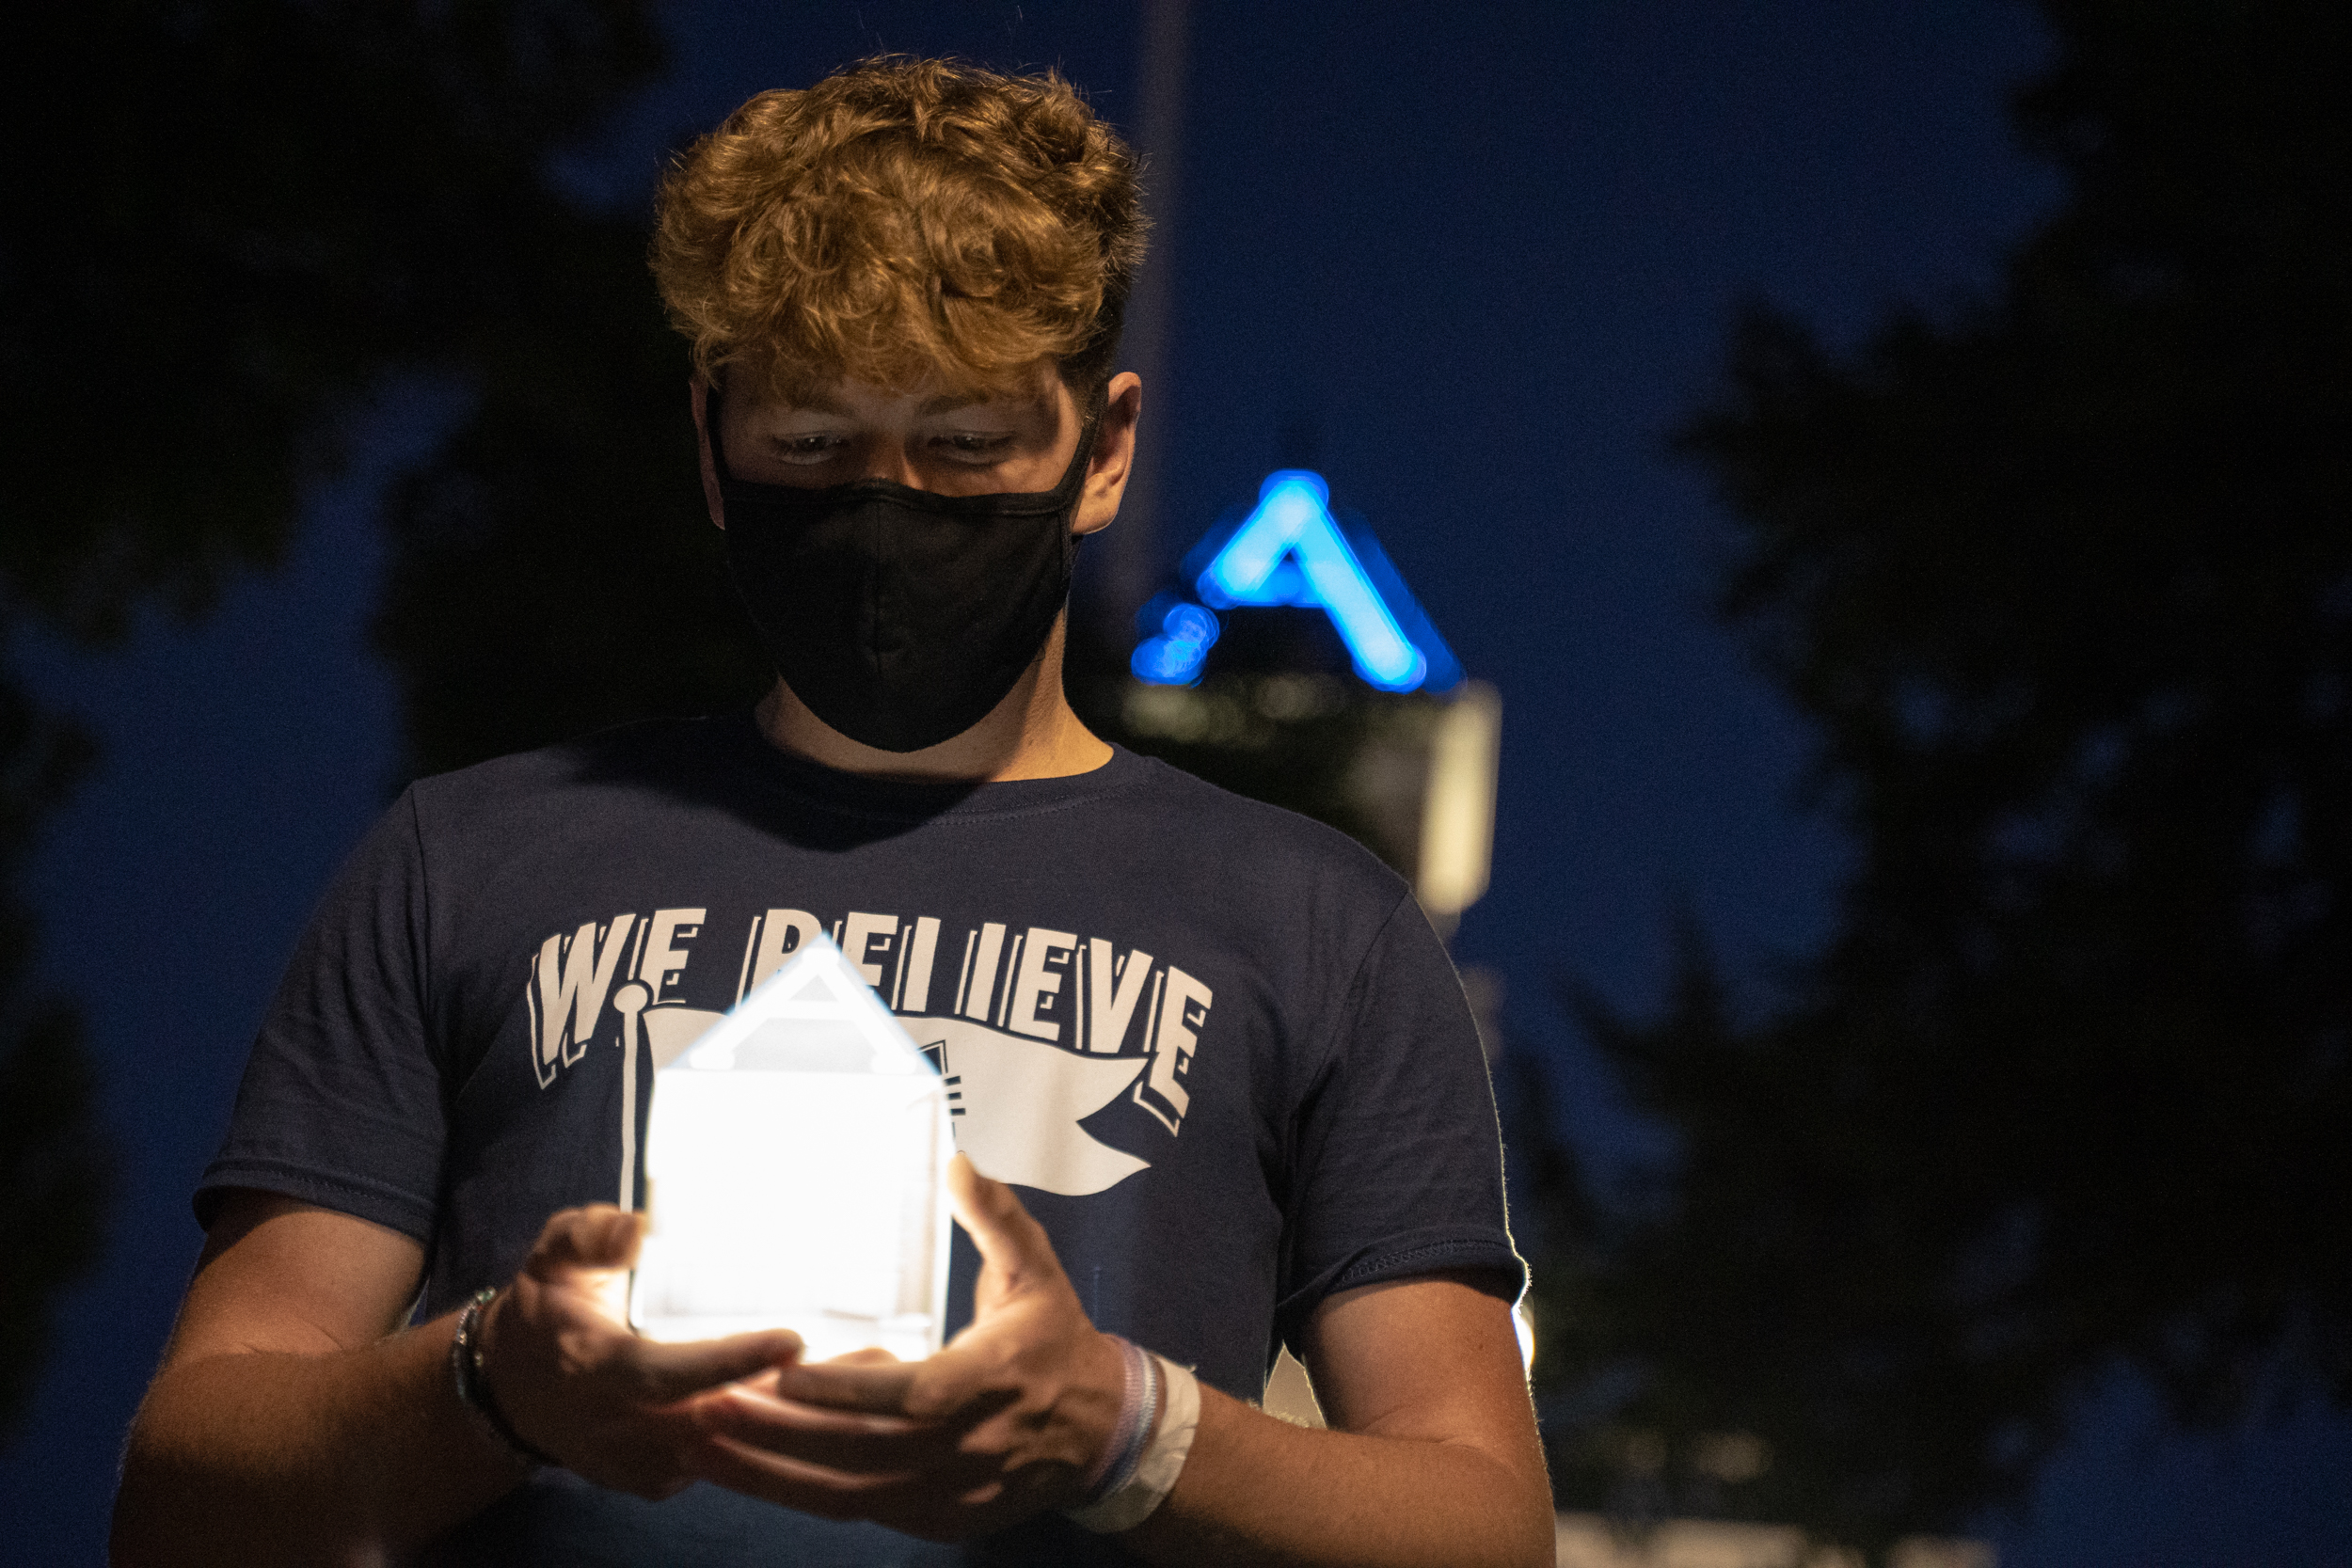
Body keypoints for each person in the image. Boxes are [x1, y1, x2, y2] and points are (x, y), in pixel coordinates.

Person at [111, 57, 1551, 1568]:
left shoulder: (1321, 926)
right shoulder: (463, 864)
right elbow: (188, 1488)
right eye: (811, 443)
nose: (886, 508)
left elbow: (1480, 1525)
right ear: (712, 442)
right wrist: (492, 1383)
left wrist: (1124, 1426)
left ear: (1104, 448)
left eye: (966, 443)